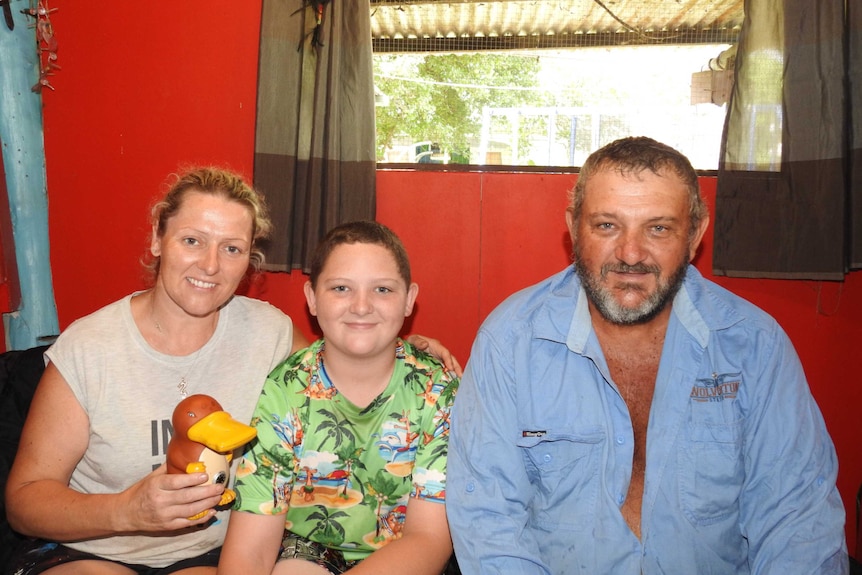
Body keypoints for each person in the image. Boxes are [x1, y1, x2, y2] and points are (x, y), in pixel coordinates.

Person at [4, 168, 460, 575]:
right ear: (157, 238)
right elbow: (24, 500)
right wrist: (126, 511)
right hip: (90, 549)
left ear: (249, 260)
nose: (210, 264)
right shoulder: (91, 346)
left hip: (205, 554)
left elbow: (346, 353)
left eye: (232, 248)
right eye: (192, 240)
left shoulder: (267, 333)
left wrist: (410, 347)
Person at [446, 136, 849, 574]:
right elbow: (490, 524)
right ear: (573, 227)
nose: (631, 254)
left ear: (695, 234)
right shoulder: (511, 341)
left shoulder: (753, 345)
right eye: (606, 226)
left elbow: (798, 522)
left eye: (658, 228)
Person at [217, 220, 458, 575]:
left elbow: (429, 538)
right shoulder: (284, 392)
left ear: (409, 300)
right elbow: (249, 550)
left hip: (404, 553)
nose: (361, 306)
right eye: (341, 288)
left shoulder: (436, 392)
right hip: (307, 550)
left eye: (382, 290)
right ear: (312, 298)